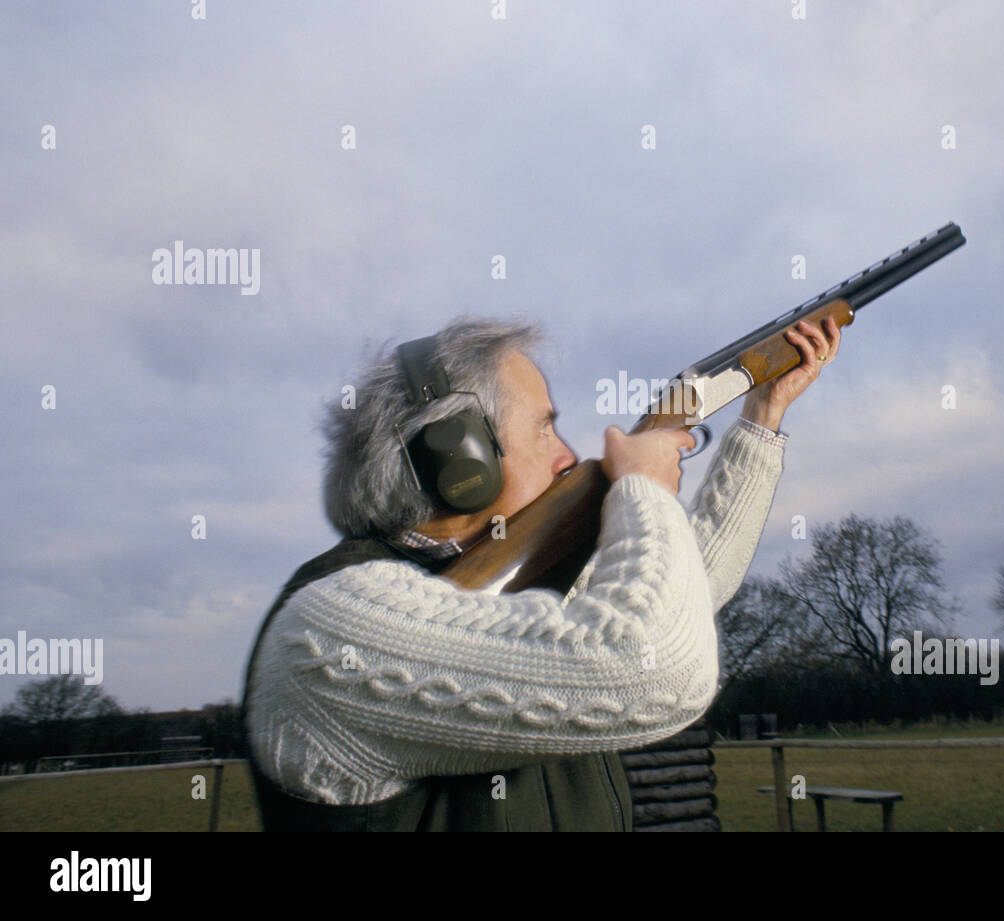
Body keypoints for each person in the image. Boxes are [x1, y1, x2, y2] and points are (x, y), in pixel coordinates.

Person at [242, 313, 841, 830]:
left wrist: (763, 417)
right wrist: (643, 489)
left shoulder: (517, 592)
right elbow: (660, 672)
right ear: (461, 458)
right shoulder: (332, 628)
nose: (569, 455)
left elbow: (692, 590)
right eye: (545, 426)